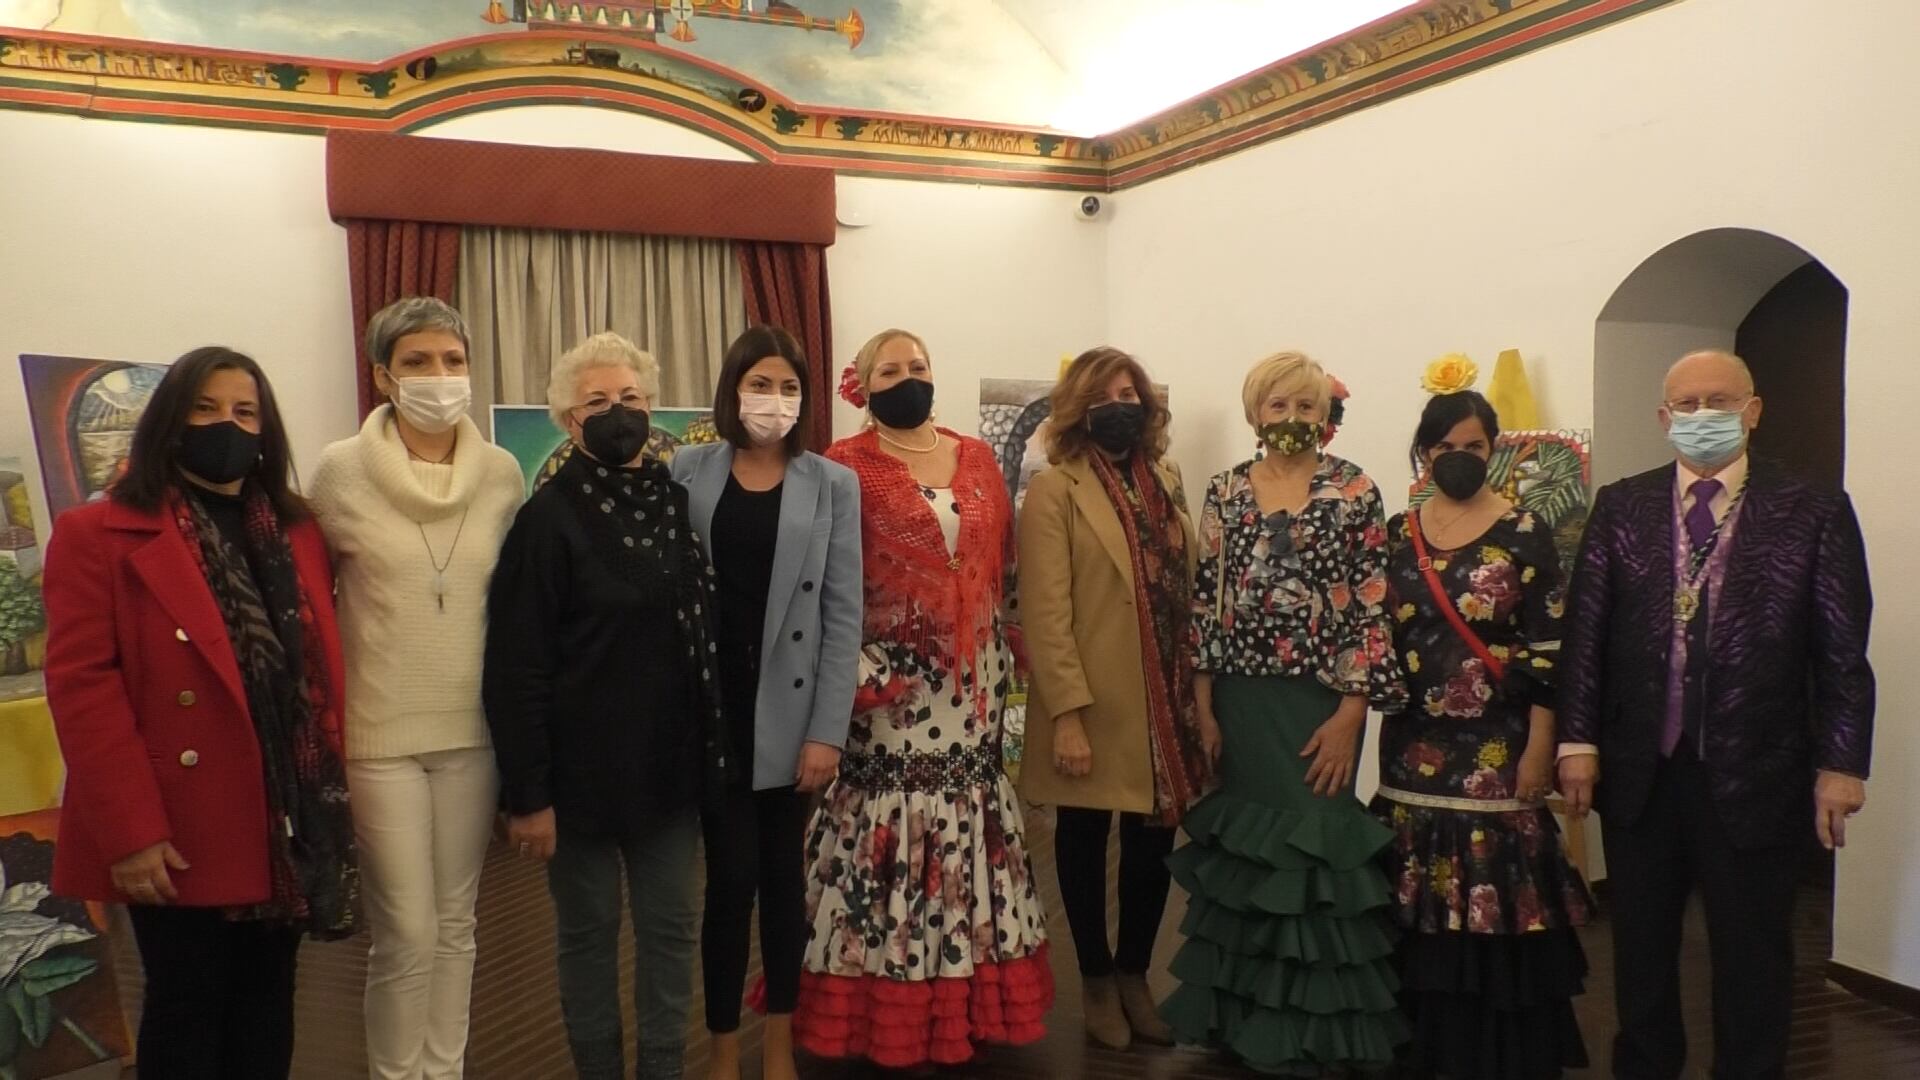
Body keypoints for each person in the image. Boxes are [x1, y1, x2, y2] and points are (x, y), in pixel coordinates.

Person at [42, 347, 358, 1080]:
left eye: (245, 412)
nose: (228, 425)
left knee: (270, 998)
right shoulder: (99, 535)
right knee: (188, 1003)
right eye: (207, 409)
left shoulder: (297, 530)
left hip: (283, 813)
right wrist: (132, 831)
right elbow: (84, 690)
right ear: (169, 422)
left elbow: (313, 674)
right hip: (174, 822)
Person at [1558, 349, 1873, 1080]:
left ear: (1753, 410)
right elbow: (1585, 636)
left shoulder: (1813, 510)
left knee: (1753, 952)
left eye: (1719, 401)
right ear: (1665, 418)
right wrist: (1577, 741)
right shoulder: (1622, 504)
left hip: (1759, 767)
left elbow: (1841, 652)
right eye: (1687, 405)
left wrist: (1841, 763)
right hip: (1642, 768)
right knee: (1639, 949)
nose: (1703, 417)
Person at [787, 328, 1053, 1068]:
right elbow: (821, 583)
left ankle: (964, 1000)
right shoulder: (842, 465)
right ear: (862, 385)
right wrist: (860, 666)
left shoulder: (975, 457)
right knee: (888, 824)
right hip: (886, 688)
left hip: (970, 686)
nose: (909, 378)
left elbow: (999, 564)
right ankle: (880, 992)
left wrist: (1004, 649)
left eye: (920, 366)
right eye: (892, 370)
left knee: (970, 822)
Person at [482, 332, 730, 1080]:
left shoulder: (679, 503)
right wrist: (529, 797)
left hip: (669, 776)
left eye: (630, 399)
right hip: (578, 783)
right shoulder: (544, 522)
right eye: (598, 402)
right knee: (588, 940)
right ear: (566, 420)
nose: (617, 412)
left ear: (651, 409)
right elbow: (515, 666)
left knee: (671, 934)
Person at [1159, 350, 1407, 1075]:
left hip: (1321, 701)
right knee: (1245, 852)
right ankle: (1237, 1016)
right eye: (1279, 407)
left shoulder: (1355, 488)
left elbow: (1370, 603)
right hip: (1239, 696)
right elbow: (1208, 599)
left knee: (1314, 846)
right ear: (1255, 413)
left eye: (1307, 407)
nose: (1293, 420)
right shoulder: (1227, 490)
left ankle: (1312, 1026)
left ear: (1326, 415)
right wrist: (1202, 704)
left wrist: (1352, 711)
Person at [309, 297, 524, 1080]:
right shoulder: (339, 472)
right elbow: (306, 601)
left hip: (473, 734)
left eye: (453, 361)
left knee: (459, 924)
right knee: (405, 932)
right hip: (379, 738)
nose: (440, 377)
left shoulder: (501, 475)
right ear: (381, 375)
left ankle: (447, 1068)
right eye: (418, 362)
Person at [1373, 379, 1593, 1079]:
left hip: (1501, 751)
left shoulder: (1526, 531)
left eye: (1474, 445)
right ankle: (1423, 1049)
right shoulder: (1396, 534)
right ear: (1425, 453)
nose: (1460, 456)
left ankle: (1497, 1055)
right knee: (1419, 902)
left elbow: (1549, 646)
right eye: (1445, 446)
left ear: (1494, 449)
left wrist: (1541, 746)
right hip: (1411, 750)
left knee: (1494, 898)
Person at [669, 325, 862, 1080]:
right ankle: (722, 1053)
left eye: (788, 387)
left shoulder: (831, 482)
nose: (774, 401)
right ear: (732, 389)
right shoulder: (688, 470)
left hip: (793, 712)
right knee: (728, 885)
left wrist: (828, 732)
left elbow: (844, 615)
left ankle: (778, 1046)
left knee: (784, 885)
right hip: (714, 707)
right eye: (760, 384)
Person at [1016, 346, 1209, 1051]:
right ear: (1079, 408)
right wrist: (1066, 713)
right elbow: (1045, 610)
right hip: (1095, 702)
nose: (1120, 403)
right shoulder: (1054, 489)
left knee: (1154, 844)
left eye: (1131, 391)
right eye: (1105, 394)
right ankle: (1095, 981)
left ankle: (1135, 975)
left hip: (1166, 698)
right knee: (1085, 834)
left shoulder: (1166, 477)